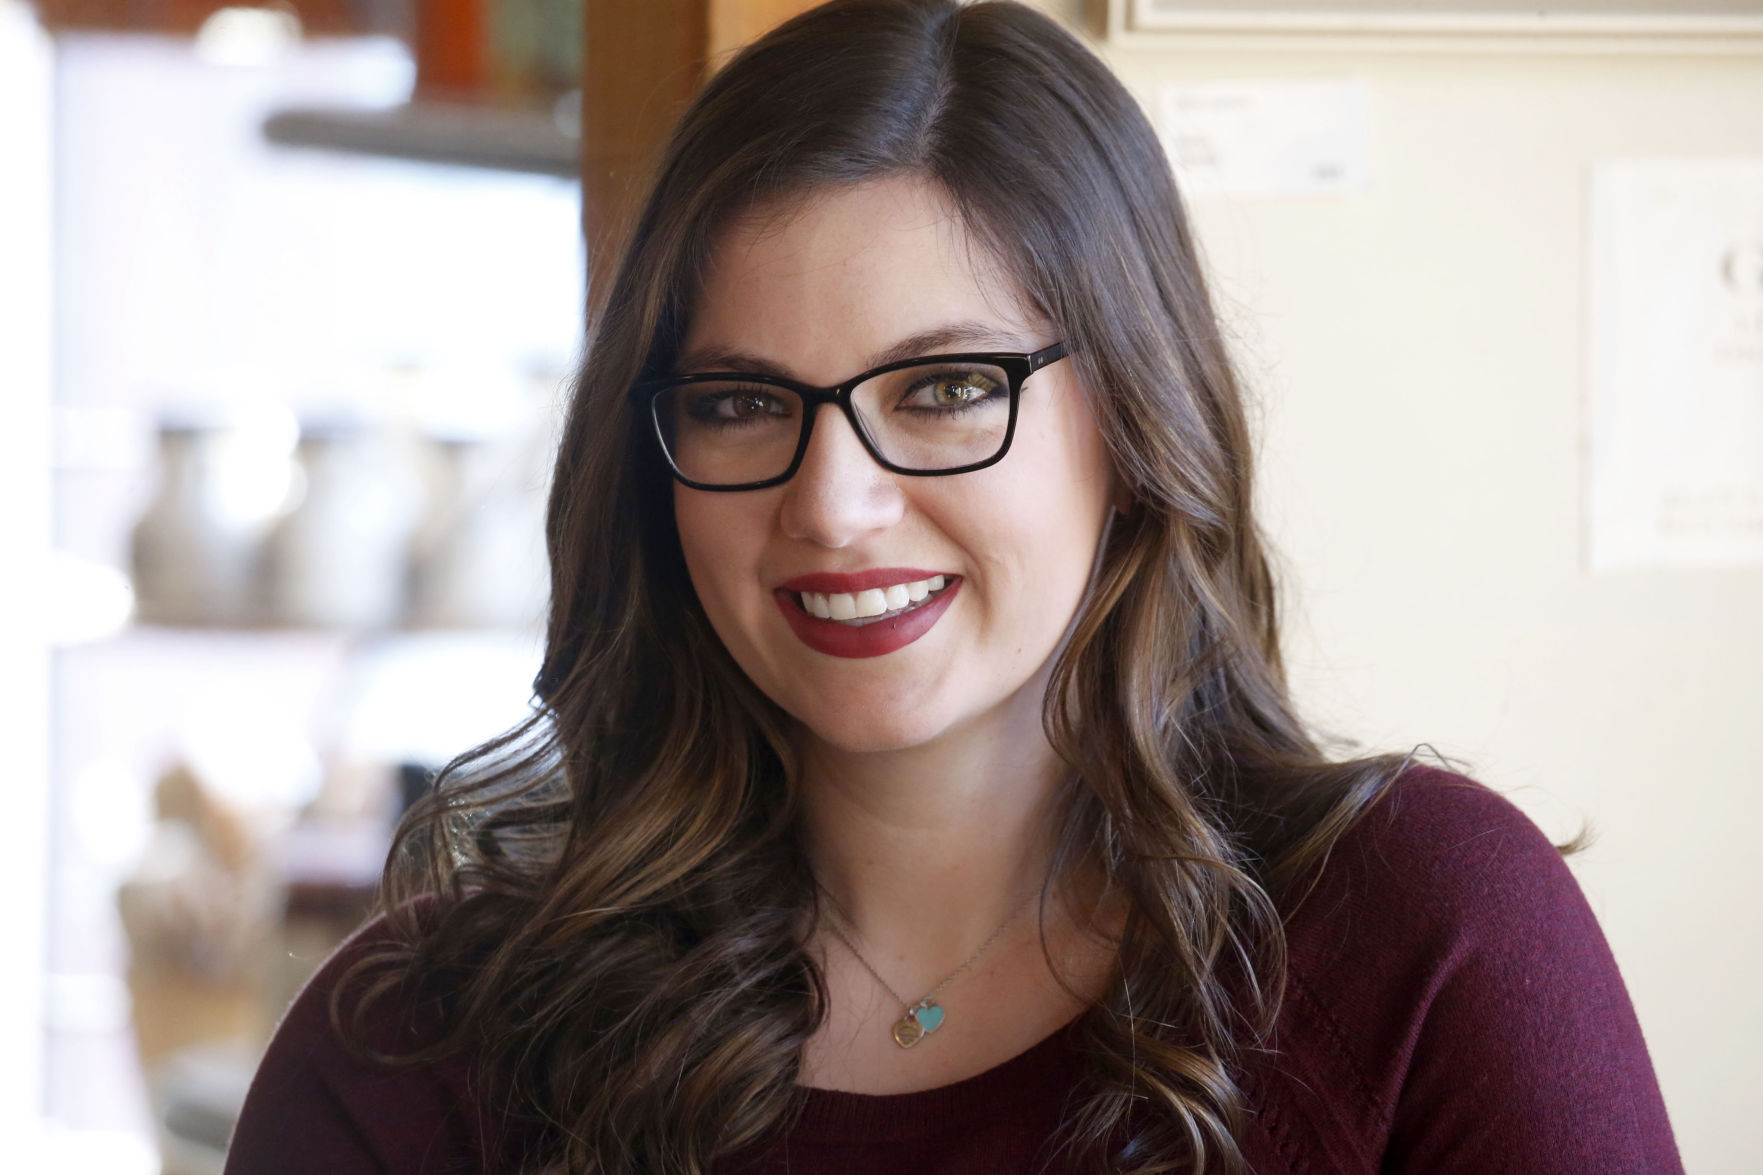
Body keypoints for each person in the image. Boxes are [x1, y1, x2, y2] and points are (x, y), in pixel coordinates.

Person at [224, 2, 1683, 1172]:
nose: (832, 504)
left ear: (1133, 423)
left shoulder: (1427, 934)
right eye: (740, 402)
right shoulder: (414, 1046)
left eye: (945, 388)